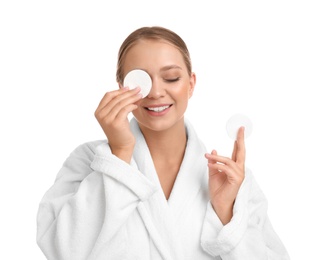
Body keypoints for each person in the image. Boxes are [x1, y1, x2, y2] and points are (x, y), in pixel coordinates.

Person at [36, 26, 290, 260]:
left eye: (170, 78)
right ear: (121, 88)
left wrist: (226, 215)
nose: (156, 92)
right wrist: (119, 156)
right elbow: (65, 252)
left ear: (191, 84)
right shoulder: (90, 162)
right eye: (140, 81)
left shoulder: (231, 179)